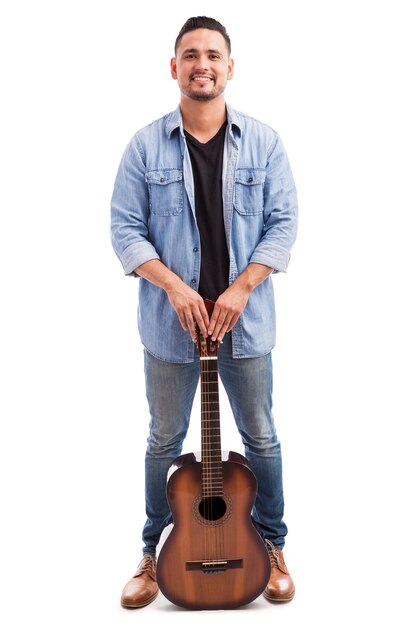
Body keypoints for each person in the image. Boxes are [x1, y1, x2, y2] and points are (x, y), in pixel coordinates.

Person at [111, 16, 298, 608]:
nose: (202, 64)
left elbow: (284, 224)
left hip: (246, 330)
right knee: (163, 440)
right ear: (174, 67)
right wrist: (173, 287)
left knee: (260, 436)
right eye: (190, 54)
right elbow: (125, 230)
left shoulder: (264, 143)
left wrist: (241, 287)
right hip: (172, 331)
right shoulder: (145, 146)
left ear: (230, 67)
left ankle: (270, 546)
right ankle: (153, 551)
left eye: (213, 54)